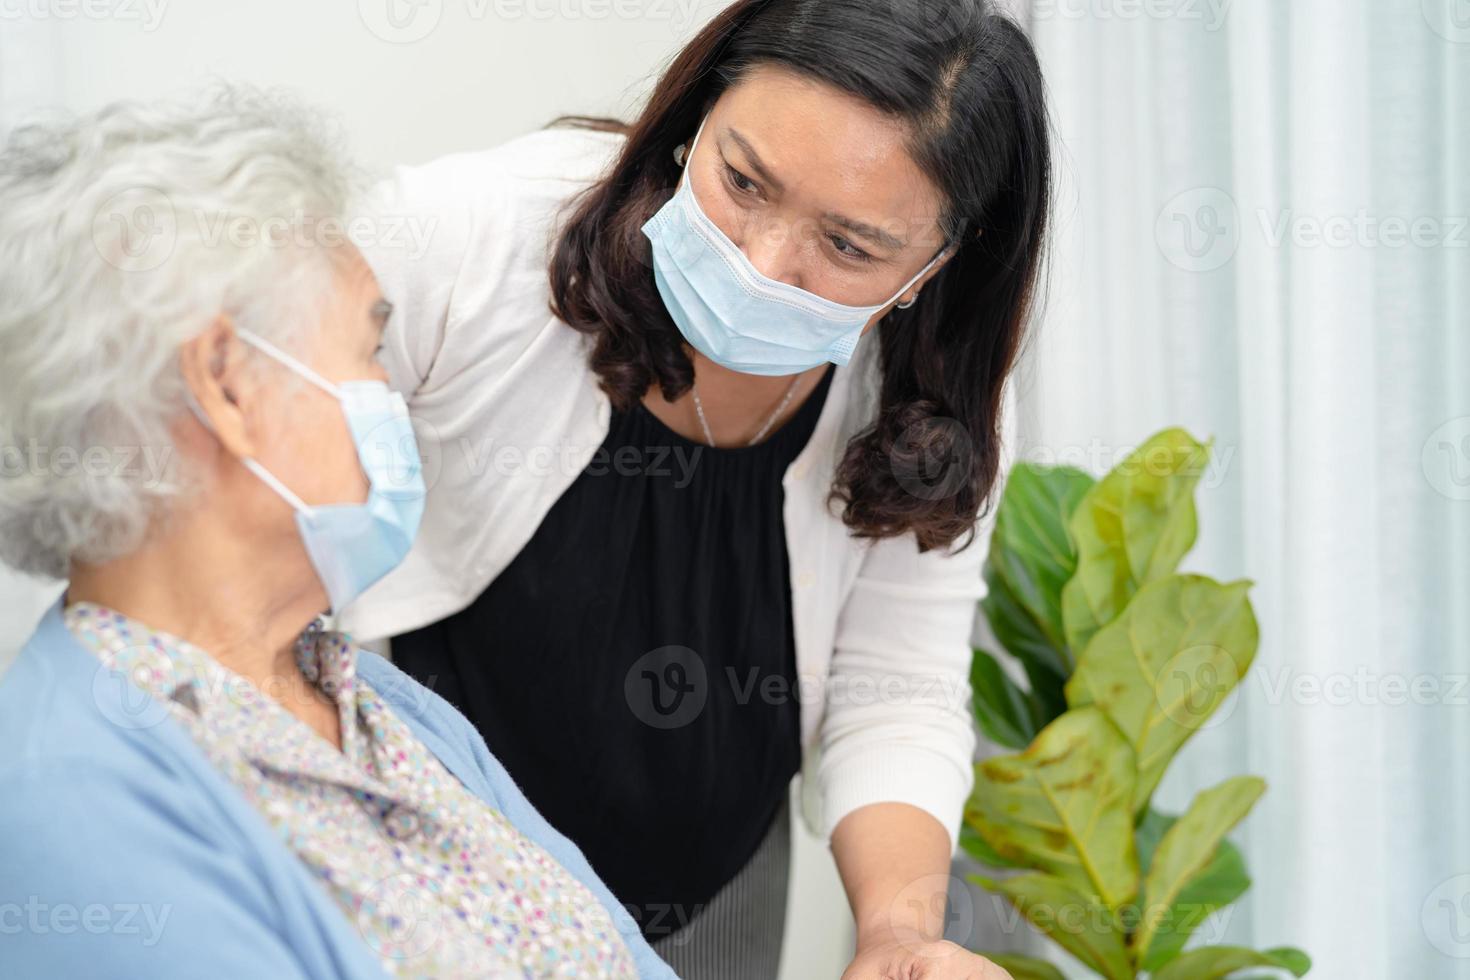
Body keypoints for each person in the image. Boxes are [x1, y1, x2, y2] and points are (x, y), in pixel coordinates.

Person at [338, 1, 1049, 976]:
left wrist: (897, 936)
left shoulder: (927, 398)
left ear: (935, 264)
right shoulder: (467, 238)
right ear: (692, 122)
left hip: (712, 891)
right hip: (420, 859)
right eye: (743, 179)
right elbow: (257, 509)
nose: (763, 263)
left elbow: (897, 691)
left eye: (850, 246)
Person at [0, 86, 677, 980]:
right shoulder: (66, 800)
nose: (393, 396)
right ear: (229, 384)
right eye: (367, 352)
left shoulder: (379, 705)